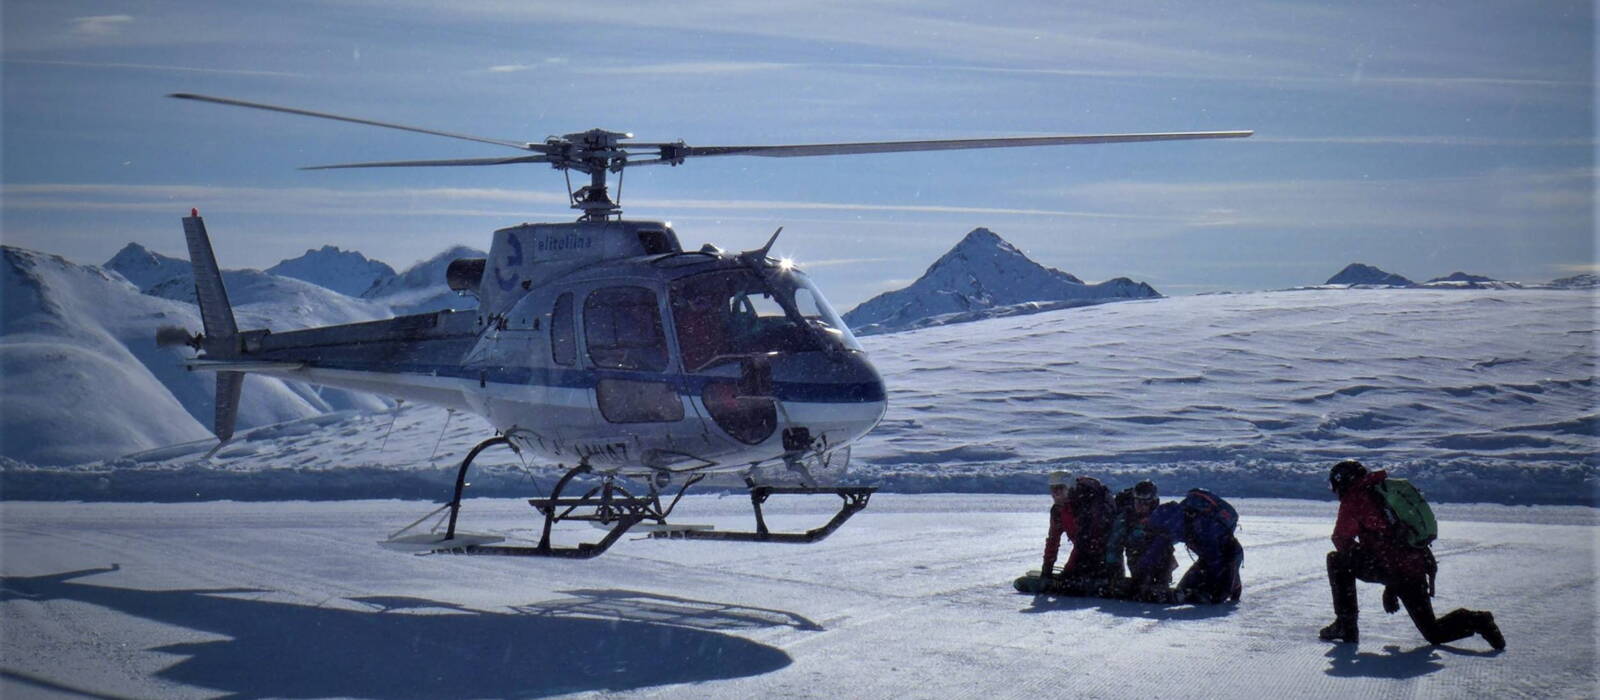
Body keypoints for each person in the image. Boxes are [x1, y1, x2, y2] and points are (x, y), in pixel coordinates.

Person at [1320, 460, 1504, 649]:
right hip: (1414, 567)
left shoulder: (1354, 499)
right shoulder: (1386, 490)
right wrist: (1391, 583)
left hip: (1395, 569)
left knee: (1337, 560)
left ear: (1342, 483)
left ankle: (1345, 624)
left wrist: (1389, 582)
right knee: (1434, 632)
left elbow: (1341, 539)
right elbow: (1396, 543)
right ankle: (1478, 620)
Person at [1146, 488, 1243, 604]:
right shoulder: (1174, 522)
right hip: (1207, 559)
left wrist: (1210, 585)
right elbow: (1156, 550)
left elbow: (1215, 559)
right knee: (1183, 591)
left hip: (1228, 557)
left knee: (1213, 597)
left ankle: (1234, 585)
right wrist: (1145, 575)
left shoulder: (1205, 528)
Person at [1038, 471, 1116, 594]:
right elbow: (1053, 540)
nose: (1055, 493)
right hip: (1083, 549)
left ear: (1069, 488)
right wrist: (1046, 570)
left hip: (1103, 548)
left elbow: (1084, 541)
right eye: (1053, 489)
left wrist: (1068, 571)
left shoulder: (1084, 505)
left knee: (1077, 580)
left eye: (1060, 488)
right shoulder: (1057, 511)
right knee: (1074, 578)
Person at [1105, 480, 1178, 601]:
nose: (1140, 506)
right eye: (1137, 501)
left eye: (1145, 502)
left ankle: (1159, 582)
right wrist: (1114, 573)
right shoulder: (1126, 518)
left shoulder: (1160, 516)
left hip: (1161, 562)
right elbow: (1114, 545)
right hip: (1137, 560)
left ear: (1153, 502)